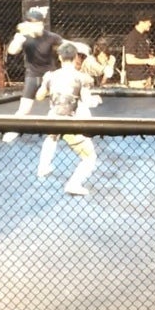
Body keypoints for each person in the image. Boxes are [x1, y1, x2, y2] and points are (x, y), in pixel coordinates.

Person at [35, 42, 99, 196]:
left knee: (52, 136)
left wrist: (49, 87)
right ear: (76, 56)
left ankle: (43, 167)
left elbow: (39, 96)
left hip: (53, 119)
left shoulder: (50, 76)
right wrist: (96, 100)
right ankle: (73, 184)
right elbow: (88, 101)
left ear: (59, 57)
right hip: (70, 122)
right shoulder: (82, 78)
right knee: (90, 158)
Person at [2, 7, 63, 142]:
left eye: (36, 22)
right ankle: (14, 130)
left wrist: (79, 47)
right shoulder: (24, 37)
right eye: (30, 22)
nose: (33, 25)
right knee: (24, 108)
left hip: (50, 75)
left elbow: (65, 46)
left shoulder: (51, 36)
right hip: (33, 74)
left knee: (58, 105)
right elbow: (12, 51)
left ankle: (60, 130)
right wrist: (18, 40)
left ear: (41, 23)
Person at [123, 13, 155, 87]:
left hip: (145, 76)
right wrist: (148, 61)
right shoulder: (132, 37)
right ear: (141, 22)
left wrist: (152, 58)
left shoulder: (144, 36)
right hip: (136, 78)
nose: (150, 24)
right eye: (148, 22)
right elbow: (129, 60)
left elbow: (142, 54)